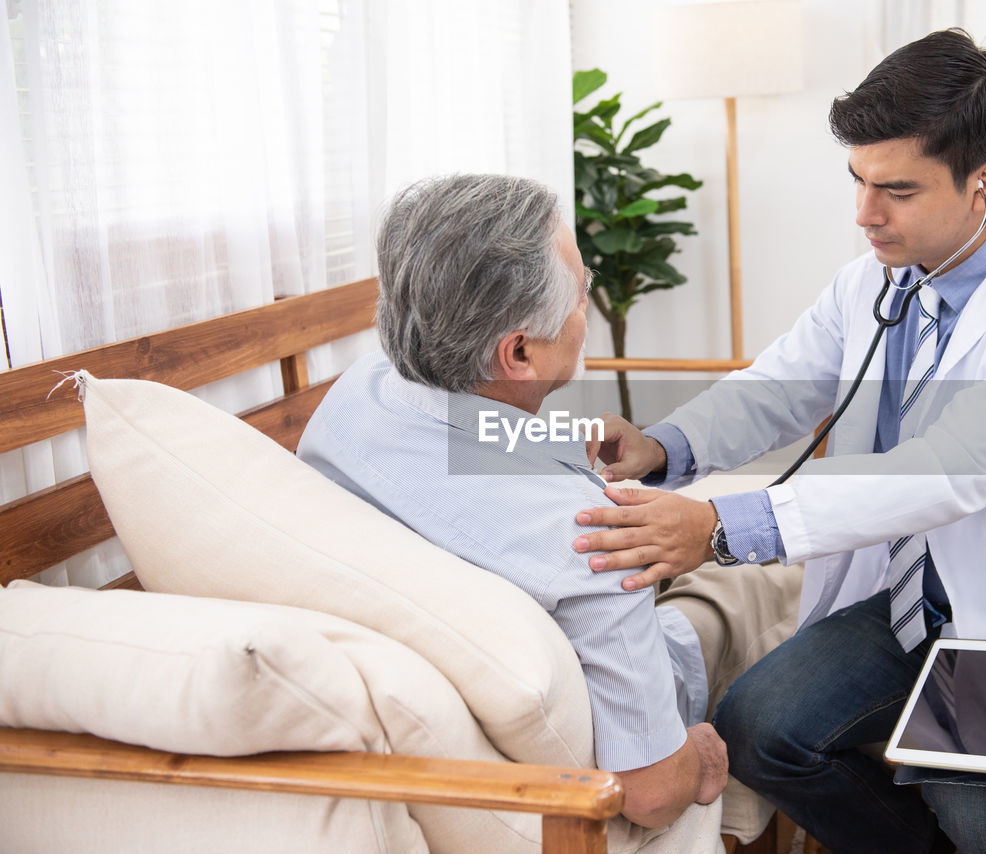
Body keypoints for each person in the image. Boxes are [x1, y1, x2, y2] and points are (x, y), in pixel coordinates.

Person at [572, 29, 986, 854]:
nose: (864, 213)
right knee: (758, 728)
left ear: (985, 183)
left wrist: (717, 528)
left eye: (896, 189)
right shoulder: (874, 280)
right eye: (857, 181)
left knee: (977, 792)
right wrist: (661, 446)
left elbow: (942, 474)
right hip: (902, 604)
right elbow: (781, 383)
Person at [295, 173, 801, 832]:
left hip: (492, 626)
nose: (586, 306)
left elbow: (454, 449)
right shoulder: (592, 535)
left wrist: (562, 445)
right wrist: (699, 755)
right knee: (775, 584)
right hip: (642, 670)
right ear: (521, 351)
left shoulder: (361, 391)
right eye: (583, 294)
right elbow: (650, 794)